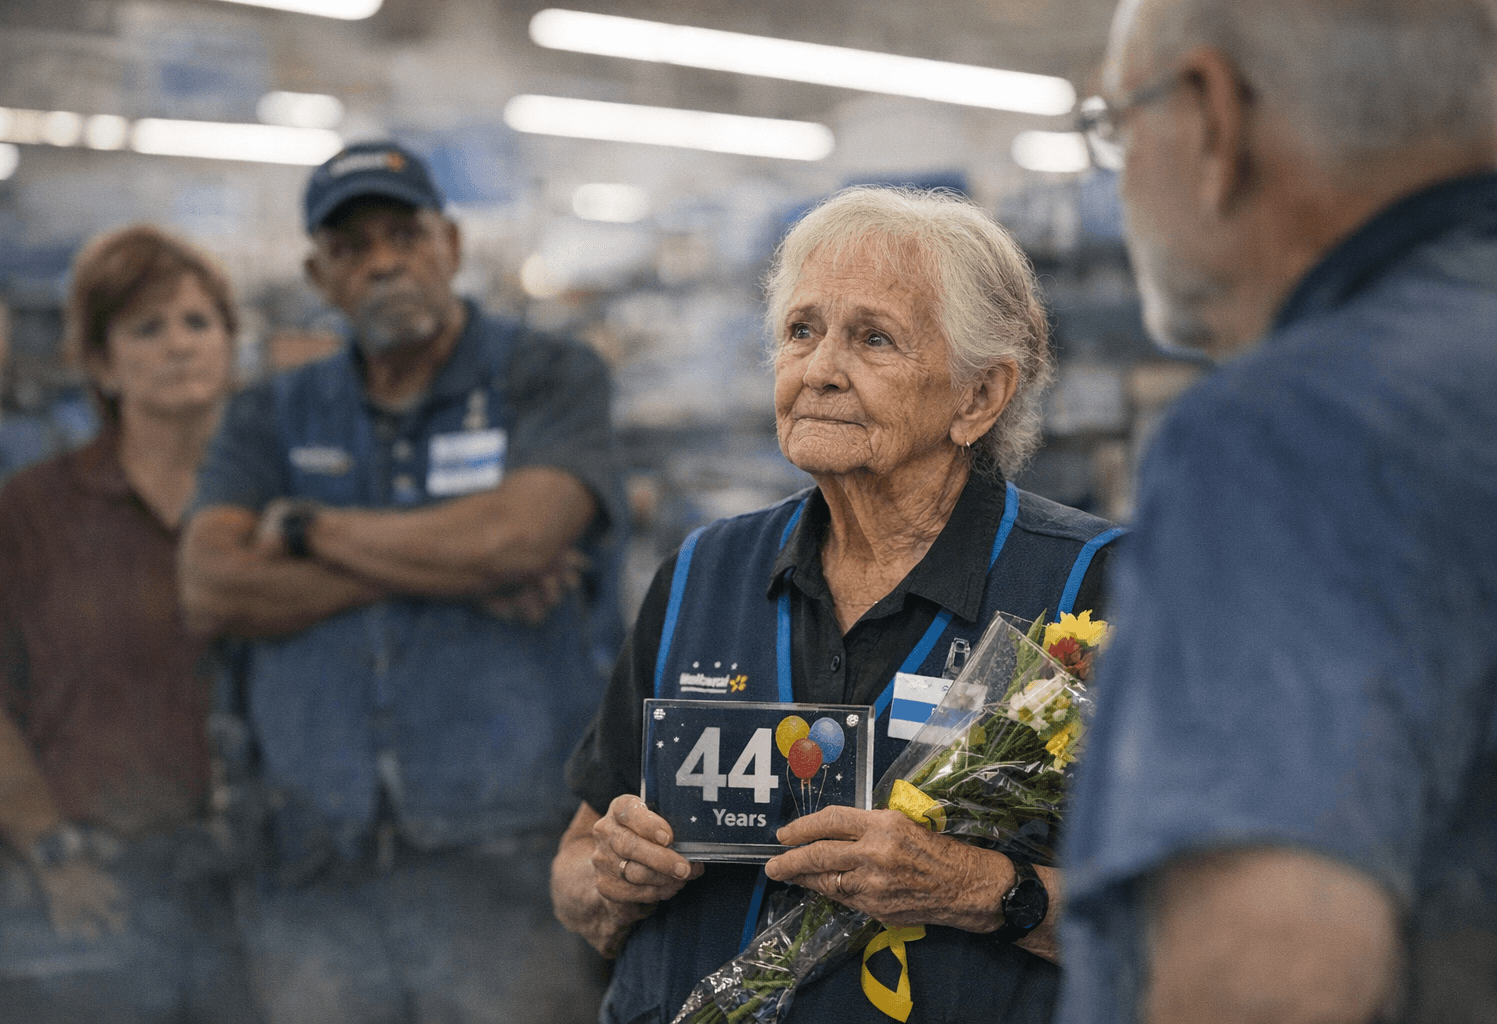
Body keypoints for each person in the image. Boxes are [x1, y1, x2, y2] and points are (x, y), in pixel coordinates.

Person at [554, 186, 1125, 1024]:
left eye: (873, 339)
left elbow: (1202, 919)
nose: (819, 369)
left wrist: (980, 889)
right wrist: (612, 876)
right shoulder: (703, 574)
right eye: (800, 331)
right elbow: (573, 868)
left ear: (978, 397)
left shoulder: (1096, 591)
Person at [1055, 1, 1497, 1022]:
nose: (1120, 180)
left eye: (1120, 127)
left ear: (1214, 119)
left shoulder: (1289, 438)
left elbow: (1270, 978)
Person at [177, 141, 627, 1024]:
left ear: (450, 245)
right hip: (313, 864)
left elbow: (517, 538)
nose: (383, 261)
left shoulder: (549, 376)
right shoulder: (271, 411)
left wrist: (308, 530)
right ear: (319, 272)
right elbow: (211, 588)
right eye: (351, 247)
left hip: (506, 859)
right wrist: (446, 571)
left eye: (403, 234)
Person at [0, 224, 258, 1022]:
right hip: (78, 887)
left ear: (231, 345)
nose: (179, 346)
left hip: (243, 894)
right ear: (100, 363)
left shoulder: (273, 510)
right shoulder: (32, 515)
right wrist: (50, 847)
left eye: (199, 323)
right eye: (147, 328)